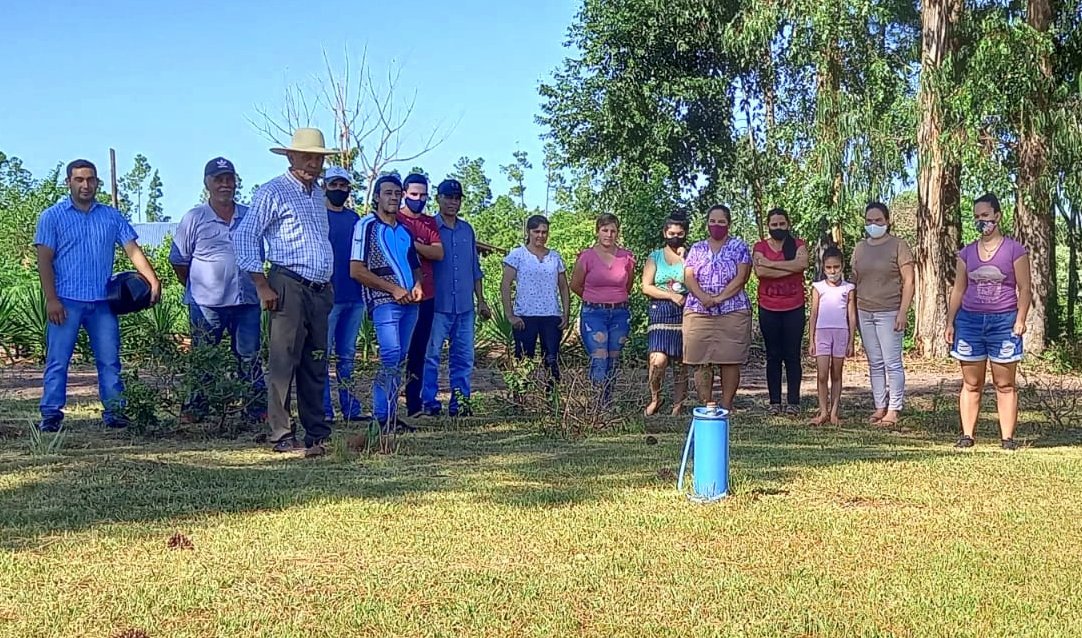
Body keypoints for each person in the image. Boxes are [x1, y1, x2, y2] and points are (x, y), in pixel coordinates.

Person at [34, 159, 161, 432]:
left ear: (97, 182)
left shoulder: (111, 216)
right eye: (79, 179)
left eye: (90, 179)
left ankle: (115, 412)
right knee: (58, 359)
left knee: (109, 360)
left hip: (103, 302)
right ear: (68, 182)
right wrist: (51, 299)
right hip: (66, 301)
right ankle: (51, 414)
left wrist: (153, 281)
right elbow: (43, 261)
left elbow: (133, 250)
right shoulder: (52, 216)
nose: (85, 185)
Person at [234, 128, 337, 457]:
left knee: (316, 361)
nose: (312, 162)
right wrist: (261, 283)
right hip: (288, 283)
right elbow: (245, 237)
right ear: (290, 156)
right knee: (283, 361)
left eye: (318, 157)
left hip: (319, 288)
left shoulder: (318, 194)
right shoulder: (272, 191)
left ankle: (316, 432)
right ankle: (281, 433)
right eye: (306, 156)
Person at [169, 157, 264, 423]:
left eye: (229, 178)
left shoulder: (250, 216)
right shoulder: (194, 218)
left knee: (249, 356)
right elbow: (179, 260)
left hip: (246, 299)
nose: (225, 184)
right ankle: (197, 408)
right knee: (204, 357)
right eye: (218, 179)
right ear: (207, 183)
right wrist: (198, 285)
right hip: (206, 303)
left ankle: (256, 409)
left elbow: (261, 255)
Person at [946, 193, 1032, 451]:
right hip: (970, 322)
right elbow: (958, 290)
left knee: (1004, 384)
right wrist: (951, 322)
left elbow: (1025, 288)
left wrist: (1020, 319)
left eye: (985, 215)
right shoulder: (966, 253)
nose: (981, 221)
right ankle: (967, 436)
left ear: (997, 216)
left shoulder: (1014, 250)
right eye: (976, 217)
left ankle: (1007, 439)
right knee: (972, 383)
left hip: (1004, 322)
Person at [351, 174, 423, 431]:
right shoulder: (366, 226)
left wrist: (417, 286)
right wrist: (392, 289)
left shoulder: (404, 230)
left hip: (410, 304)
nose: (393, 197)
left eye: (396, 193)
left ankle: (391, 414)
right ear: (377, 197)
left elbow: (415, 266)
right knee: (390, 354)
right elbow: (356, 270)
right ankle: (381, 416)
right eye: (387, 193)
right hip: (384, 300)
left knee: (400, 357)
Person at [421, 179, 492, 417]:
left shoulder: (467, 230)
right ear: (438, 198)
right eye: (448, 197)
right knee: (431, 355)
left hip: (464, 305)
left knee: (464, 357)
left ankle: (460, 401)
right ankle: (429, 402)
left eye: (456, 198)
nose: (452, 202)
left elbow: (474, 268)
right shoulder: (429, 227)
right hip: (438, 304)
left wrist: (481, 300)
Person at [850, 201, 914, 426]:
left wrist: (903, 311)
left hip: (890, 311)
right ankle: (880, 406)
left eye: (878, 220)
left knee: (892, 362)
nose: (874, 224)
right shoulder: (859, 248)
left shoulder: (899, 245)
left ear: (887, 221)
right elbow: (854, 280)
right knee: (874, 362)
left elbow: (909, 280)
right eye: (869, 221)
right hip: (864, 311)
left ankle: (894, 408)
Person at [683, 205, 752, 410]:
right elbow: (688, 276)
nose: (716, 225)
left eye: (721, 222)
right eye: (712, 221)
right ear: (707, 224)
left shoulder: (739, 247)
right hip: (698, 309)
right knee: (701, 359)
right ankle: (707, 405)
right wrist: (704, 297)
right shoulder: (697, 248)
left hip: (732, 309)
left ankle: (727, 405)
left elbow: (742, 277)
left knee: (730, 359)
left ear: (728, 224)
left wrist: (720, 298)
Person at [320, 166, 370, 424]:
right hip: (328, 297)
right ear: (324, 186)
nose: (339, 190)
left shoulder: (355, 220)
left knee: (347, 356)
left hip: (355, 295)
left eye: (343, 186)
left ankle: (351, 409)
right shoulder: (317, 216)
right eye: (334, 185)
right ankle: (324, 411)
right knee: (323, 355)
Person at [570, 214, 636, 403]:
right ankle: (596, 407)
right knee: (599, 357)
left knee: (613, 360)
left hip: (619, 313)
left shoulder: (626, 257)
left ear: (618, 233)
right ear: (597, 231)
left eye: (613, 231)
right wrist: (595, 298)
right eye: (605, 230)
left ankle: (607, 403)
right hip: (594, 313)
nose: (609, 234)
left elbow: (628, 286)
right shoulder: (586, 256)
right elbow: (575, 285)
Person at [753, 208, 809, 416]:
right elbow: (761, 271)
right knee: (773, 356)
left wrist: (772, 264)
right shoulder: (759, 246)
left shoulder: (798, 245)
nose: (778, 228)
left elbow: (802, 264)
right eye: (774, 225)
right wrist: (789, 267)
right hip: (768, 308)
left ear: (788, 224)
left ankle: (793, 401)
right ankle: (774, 402)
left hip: (794, 307)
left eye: (782, 224)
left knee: (792, 356)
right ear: (768, 226)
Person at [397, 173, 444, 418]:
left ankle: (414, 404)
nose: (419, 199)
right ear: (404, 193)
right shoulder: (394, 218)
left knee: (418, 352)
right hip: (397, 295)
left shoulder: (429, 222)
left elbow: (438, 253)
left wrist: (411, 244)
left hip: (426, 295)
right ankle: (388, 405)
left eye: (423, 195)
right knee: (395, 351)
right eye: (414, 194)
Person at [501, 215, 570, 382]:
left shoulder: (555, 257)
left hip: (551, 316)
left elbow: (563, 286)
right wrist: (510, 315)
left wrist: (566, 313)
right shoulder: (518, 255)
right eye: (536, 231)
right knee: (523, 361)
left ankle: (551, 401)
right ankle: (521, 402)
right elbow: (505, 285)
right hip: (525, 316)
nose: (541, 235)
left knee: (552, 360)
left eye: (544, 232)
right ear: (529, 232)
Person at [640, 215, 689, 416]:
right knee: (657, 360)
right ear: (664, 233)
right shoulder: (655, 257)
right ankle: (655, 397)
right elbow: (646, 286)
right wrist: (671, 295)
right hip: (660, 310)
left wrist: (685, 260)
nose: (675, 237)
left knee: (680, 362)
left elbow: (697, 279)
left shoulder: (692, 255)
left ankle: (679, 404)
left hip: (685, 311)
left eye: (679, 234)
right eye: (671, 234)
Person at [807, 247, 856, 425]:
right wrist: (811, 339)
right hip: (822, 332)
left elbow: (851, 315)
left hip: (841, 333)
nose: (833, 271)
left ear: (842, 266)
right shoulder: (818, 287)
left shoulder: (848, 288)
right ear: (823, 268)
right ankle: (823, 411)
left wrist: (851, 341)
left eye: (836, 267)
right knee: (821, 374)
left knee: (837, 374)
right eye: (829, 267)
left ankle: (834, 412)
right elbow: (813, 314)